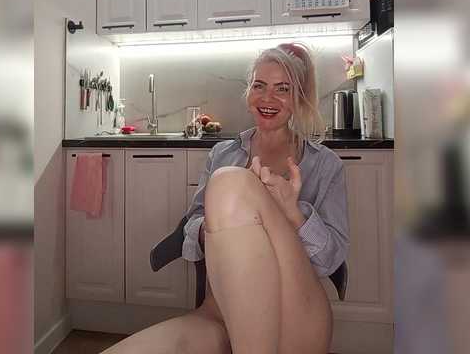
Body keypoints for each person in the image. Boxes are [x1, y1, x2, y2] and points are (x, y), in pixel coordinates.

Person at [102, 42, 349, 354]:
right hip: (219, 315)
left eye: (282, 89)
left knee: (230, 183)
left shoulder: (325, 164)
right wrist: (221, 223)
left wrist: (292, 213)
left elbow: (331, 261)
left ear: (298, 98)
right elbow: (191, 228)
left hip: (295, 316)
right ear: (248, 92)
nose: (267, 98)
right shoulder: (223, 153)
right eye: (259, 85)